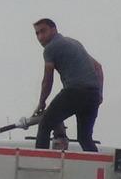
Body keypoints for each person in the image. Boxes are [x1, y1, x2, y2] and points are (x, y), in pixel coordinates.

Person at [32, 18, 104, 152]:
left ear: (54, 30)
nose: (40, 37)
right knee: (84, 138)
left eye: (43, 31)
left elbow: (47, 80)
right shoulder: (74, 43)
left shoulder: (50, 48)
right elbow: (98, 67)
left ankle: (38, 163)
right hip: (92, 95)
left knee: (45, 125)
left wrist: (42, 103)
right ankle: (94, 168)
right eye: (37, 33)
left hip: (74, 92)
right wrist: (99, 94)